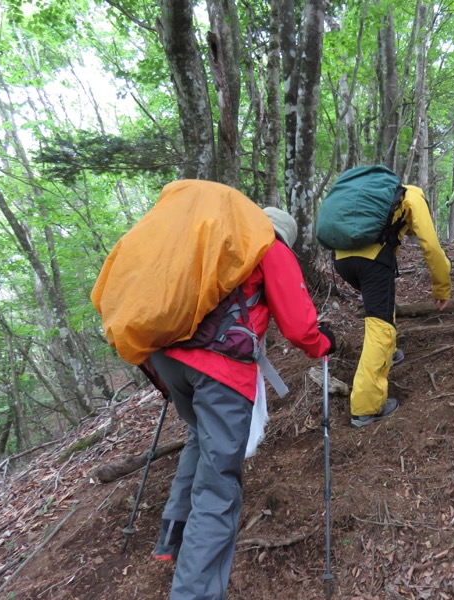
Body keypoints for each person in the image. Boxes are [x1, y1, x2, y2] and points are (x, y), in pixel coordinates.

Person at [147, 206, 335, 599]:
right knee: (219, 486)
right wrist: (322, 343)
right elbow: (300, 326)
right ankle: (194, 593)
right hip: (217, 368)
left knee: (199, 437)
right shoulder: (268, 245)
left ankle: (172, 535)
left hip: (167, 358)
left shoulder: (214, 244)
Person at [333, 184, 451, 428]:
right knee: (379, 325)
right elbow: (431, 246)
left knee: (383, 308)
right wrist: (441, 287)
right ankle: (366, 407)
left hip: (342, 259)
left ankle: (391, 352)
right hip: (371, 259)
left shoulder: (376, 196)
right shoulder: (414, 197)